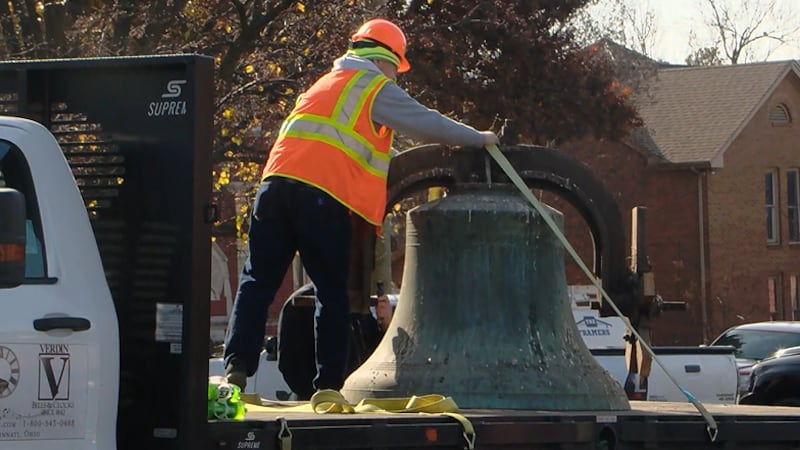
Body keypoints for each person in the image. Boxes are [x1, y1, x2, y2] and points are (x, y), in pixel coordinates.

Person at [223, 18, 499, 392]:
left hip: (272, 190)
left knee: (257, 280)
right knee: (333, 291)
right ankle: (328, 387)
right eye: (396, 69)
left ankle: (236, 368)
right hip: (322, 196)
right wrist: (478, 139)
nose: (396, 78)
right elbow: (425, 123)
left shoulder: (322, 85)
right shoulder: (372, 85)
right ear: (386, 59)